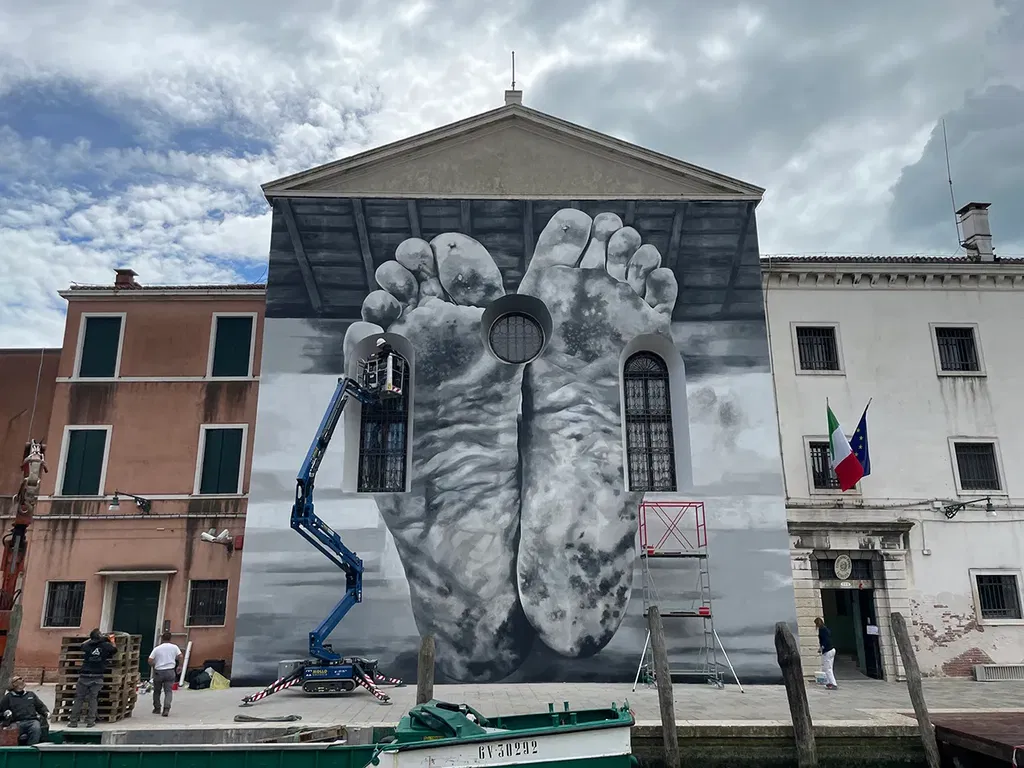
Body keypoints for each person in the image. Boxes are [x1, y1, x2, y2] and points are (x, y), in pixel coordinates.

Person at [68, 628, 118, 727]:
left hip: (84, 676)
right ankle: (90, 721)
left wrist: (91, 639)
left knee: (79, 698)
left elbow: (82, 644)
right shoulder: (105, 646)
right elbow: (114, 650)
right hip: (97, 675)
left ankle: (73, 721)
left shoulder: (87, 645)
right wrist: (111, 640)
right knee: (93, 699)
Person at [0, 676, 49, 745]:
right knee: (12, 732)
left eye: (22, 682)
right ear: (13, 685)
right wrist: (5, 713)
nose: (21, 684)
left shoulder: (30, 695)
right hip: (16, 722)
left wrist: (45, 712)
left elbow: (40, 706)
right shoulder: (8, 698)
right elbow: (1, 711)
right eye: (18, 683)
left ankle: (31, 748)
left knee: (36, 728)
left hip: (31, 720)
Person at [148, 632, 183, 717]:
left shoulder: (157, 648)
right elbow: (181, 656)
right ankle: (166, 708)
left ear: (162, 638)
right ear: (170, 638)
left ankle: (157, 708)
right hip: (170, 671)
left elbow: (150, 660)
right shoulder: (174, 647)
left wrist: (154, 666)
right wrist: (180, 666)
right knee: (168, 691)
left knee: (157, 691)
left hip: (159, 671)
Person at [815, 617, 838, 690]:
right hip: (832, 649)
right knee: (829, 667)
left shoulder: (822, 630)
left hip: (827, 651)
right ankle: (829, 683)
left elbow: (825, 640)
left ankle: (833, 683)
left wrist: (822, 647)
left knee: (827, 668)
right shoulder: (826, 629)